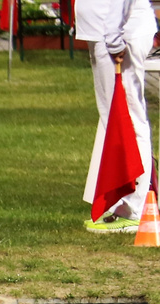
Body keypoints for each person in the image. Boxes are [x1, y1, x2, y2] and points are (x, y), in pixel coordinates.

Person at [77, 0, 157, 232]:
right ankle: (123, 202)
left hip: (117, 31)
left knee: (128, 118)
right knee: (115, 118)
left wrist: (113, 37)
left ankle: (136, 207)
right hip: (107, 30)